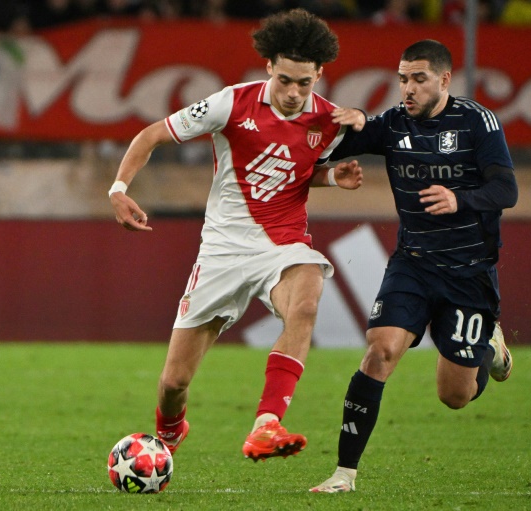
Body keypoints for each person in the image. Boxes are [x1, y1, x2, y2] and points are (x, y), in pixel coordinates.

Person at [108, 8, 362, 463]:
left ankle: (266, 424)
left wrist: (330, 177)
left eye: (304, 83)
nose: (293, 92)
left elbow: (300, 172)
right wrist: (119, 189)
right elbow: (150, 136)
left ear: (320, 75)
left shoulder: (330, 123)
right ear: (269, 66)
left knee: (306, 300)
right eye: (285, 79)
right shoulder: (230, 103)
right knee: (174, 383)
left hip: (282, 245)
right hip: (223, 250)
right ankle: (170, 427)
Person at [310, 39, 518, 493]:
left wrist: (459, 199)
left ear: (444, 79)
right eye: (403, 78)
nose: (408, 87)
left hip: (468, 272)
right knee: (379, 351)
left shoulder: (477, 122)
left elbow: (507, 192)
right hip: (413, 264)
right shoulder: (393, 124)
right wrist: (348, 125)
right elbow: (334, 147)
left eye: (419, 78)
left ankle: (490, 348)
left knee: (454, 396)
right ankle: (345, 473)